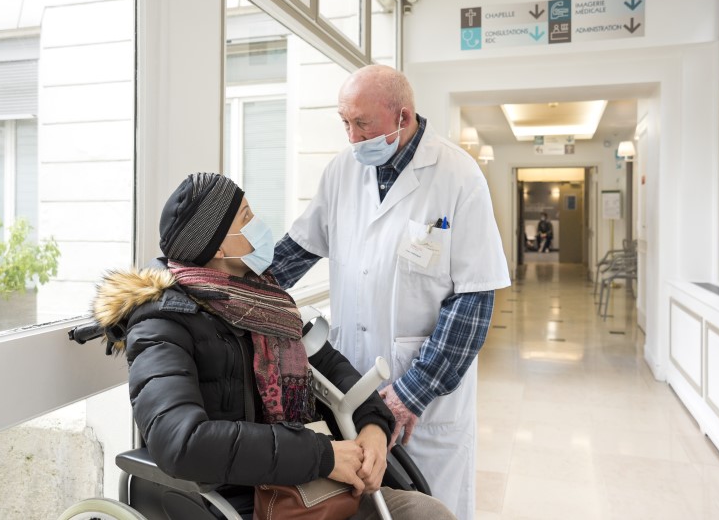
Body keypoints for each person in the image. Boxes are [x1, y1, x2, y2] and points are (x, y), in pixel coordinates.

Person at [89, 172, 455, 520]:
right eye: (246, 216)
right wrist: (323, 456)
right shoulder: (162, 323)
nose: (258, 224)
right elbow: (182, 441)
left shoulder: (267, 302)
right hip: (249, 498)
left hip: (320, 484)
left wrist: (373, 428)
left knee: (428, 513)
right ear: (218, 244)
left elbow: (339, 373)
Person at [270, 65, 511, 520]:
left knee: (430, 507)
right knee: (365, 508)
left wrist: (410, 395)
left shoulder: (458, 176)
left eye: (362, 123)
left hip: (424, 396)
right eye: (345, 122)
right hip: (353, 382)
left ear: (403, 116)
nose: (352, 136)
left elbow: (474, 303)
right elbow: (293, 252)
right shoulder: (342, 172)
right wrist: (229, 284)